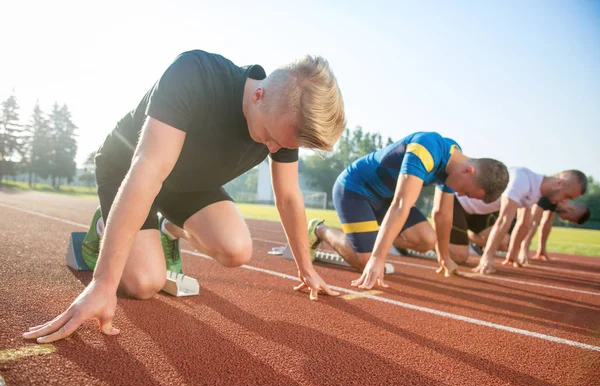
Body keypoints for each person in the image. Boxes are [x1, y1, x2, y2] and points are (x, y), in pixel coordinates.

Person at [23, 49, 346, 344]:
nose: (273, 150)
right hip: (130, 169)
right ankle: (102, 231)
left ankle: (166, 230)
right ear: (258, 95)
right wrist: (104, 283)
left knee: (237, 250)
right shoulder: (195, 73)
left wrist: (306, 269)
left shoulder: (283, 128)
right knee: (144, 284)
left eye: (283, 147)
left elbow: (288, 197)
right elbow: (148, 170)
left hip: (188, 185)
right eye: (270, 139)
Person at [307, 131, 508, 289]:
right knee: (366, 262)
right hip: (356, 190)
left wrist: (444, 256)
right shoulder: (426, 148)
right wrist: (378, 258)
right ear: (468, 171)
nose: (461, 196)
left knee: (428, 240)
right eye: (465, 191)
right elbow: (401, 205)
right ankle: (319, 229)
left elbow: (442, 213)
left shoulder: (455, 163)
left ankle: (373, 237)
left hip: (388, 198)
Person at [471, 168, 587, 274]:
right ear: (558, 184)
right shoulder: (523, 180)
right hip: (463, 207)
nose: (566, 202)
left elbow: (524, 224)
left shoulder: (536, 192)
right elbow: (505, 220)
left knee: (505, 240)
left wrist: (513, 255)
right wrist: (487, 257)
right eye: (567, 196)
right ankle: (468, 240)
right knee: (459, 256)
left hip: (476, 213)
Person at [516, 199, 590, 265]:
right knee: (507, 242)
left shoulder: (557, 203)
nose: (565, 220)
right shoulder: (551, 196)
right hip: (513, 204)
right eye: (569, 219)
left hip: (520, 208)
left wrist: (542, 249)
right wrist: (523, 249)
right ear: (571, 209)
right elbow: (533, 222)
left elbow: (547, 222)